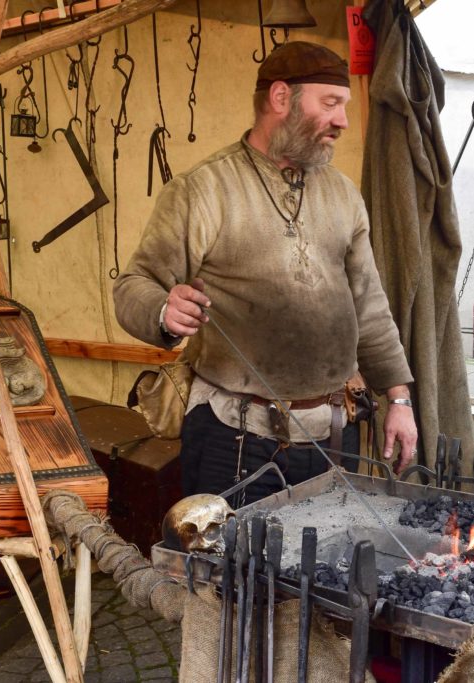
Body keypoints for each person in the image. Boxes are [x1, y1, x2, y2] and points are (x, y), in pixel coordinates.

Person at [113, 41, 418, 506]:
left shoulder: (343, 195)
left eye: (344, 106)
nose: (343, 121)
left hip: (333, 435)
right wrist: (163, 308)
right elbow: (134, 285)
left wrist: (398, 399)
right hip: (232, 439)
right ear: (281, 99)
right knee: (227, 575)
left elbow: (370, 306)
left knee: (320, 573)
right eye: (331, 103)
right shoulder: (204, 190)